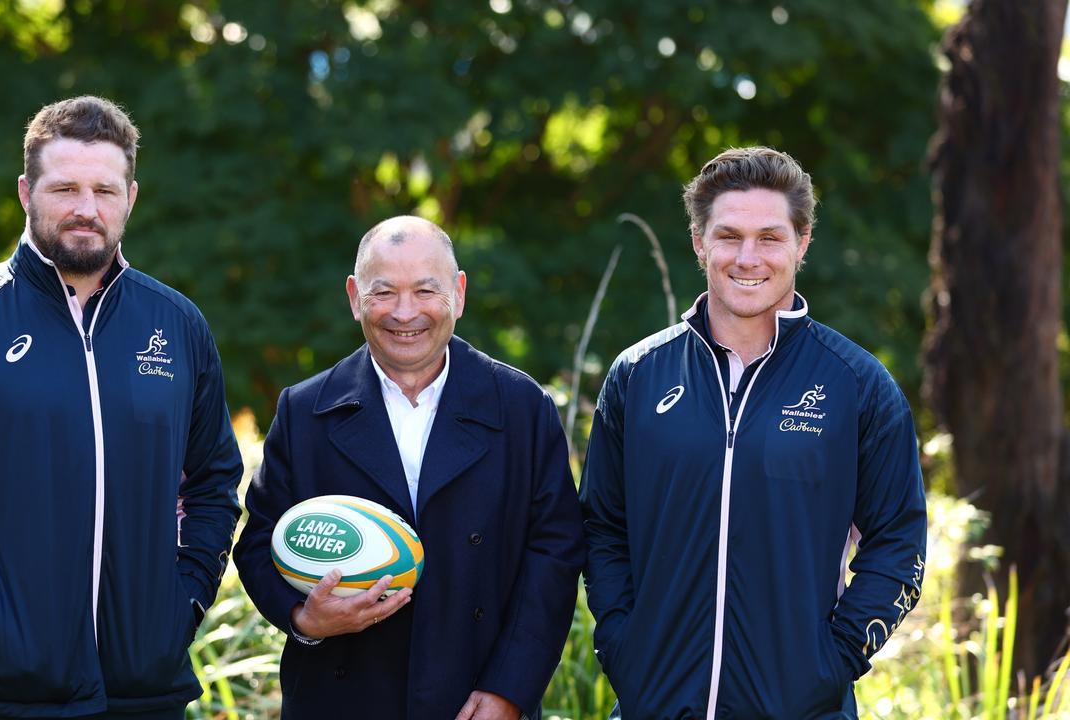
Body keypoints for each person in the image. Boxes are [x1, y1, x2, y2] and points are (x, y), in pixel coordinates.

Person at [0, 96, 243, 719]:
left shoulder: (177, 325)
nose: (86, 209)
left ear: (131, 197)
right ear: (25, 192)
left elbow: (215, 480)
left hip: (143, 692)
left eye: (104, 190)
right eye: (65, 188)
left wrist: (185, 603)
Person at [579, 147, 927, 719]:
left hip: (803, 708)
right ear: (699, 242)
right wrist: (624, 644)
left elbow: (900, 541)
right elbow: (602, 529)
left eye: (769, 237)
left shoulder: (856, 383)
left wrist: (834, 660)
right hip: (656, 705)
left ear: (802, 242)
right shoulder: (638, 376)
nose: (748, 258)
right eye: (728, 236)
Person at [234, 215, 584, 720]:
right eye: (383, 293)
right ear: (355, 297)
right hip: (340, 700)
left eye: (425, 290)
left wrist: (511, 689)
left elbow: (554, 553)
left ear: (458, 294)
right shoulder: (304, 410)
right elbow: (258, 542)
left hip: (475, 699)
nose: (405, 313)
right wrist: (304, 618)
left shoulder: (522, 407)